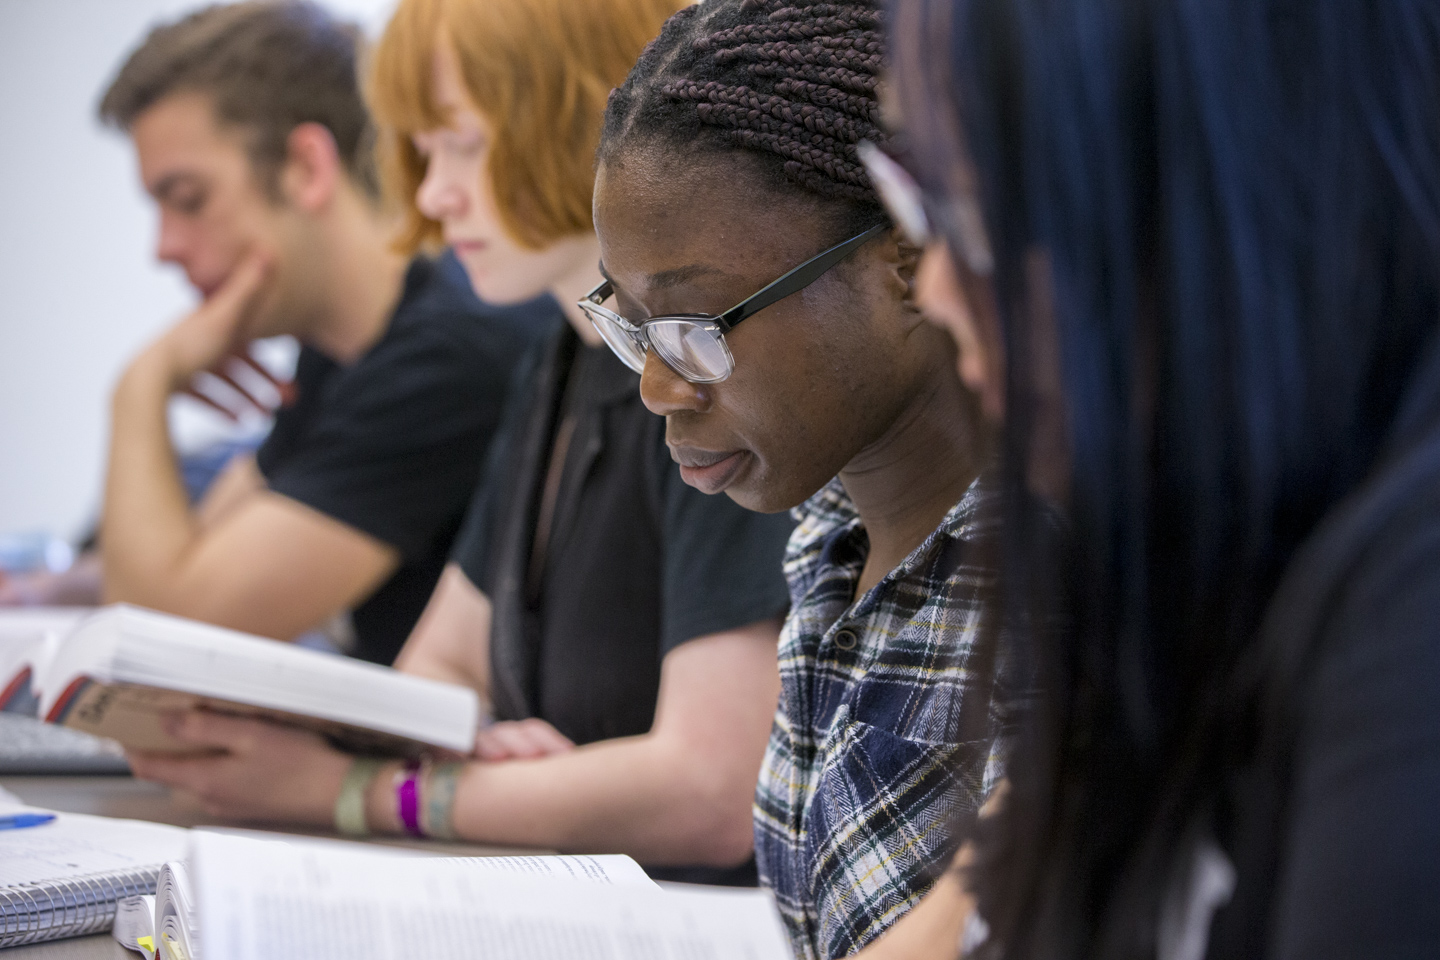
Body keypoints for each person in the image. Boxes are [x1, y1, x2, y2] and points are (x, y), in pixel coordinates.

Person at [126, 0, 796, 887]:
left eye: (461, 146)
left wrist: (356, 792)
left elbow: (710, 791)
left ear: (600, 114)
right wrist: (464, 748)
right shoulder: (557, 356)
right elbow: (439, 665)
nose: (434, 195)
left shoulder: (714, 368)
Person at [867, 0, 1440, 957]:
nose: (935, 289)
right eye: (914, 201)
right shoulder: (1191, 547)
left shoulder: (1409, 613)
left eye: (968, 214)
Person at [585, 0, 1004, 954]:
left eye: (695, 329)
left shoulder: (1056, 577)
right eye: (631, 325)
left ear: (903, 263)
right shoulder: (827, 527)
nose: (656, 387)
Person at [89, 0, 551, 664]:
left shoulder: (447, 355)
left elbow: (163, 640)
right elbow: (187, 561)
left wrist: (138, 389)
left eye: (188, 199)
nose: (163, 247)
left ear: (307, 166)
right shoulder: (345, 346)